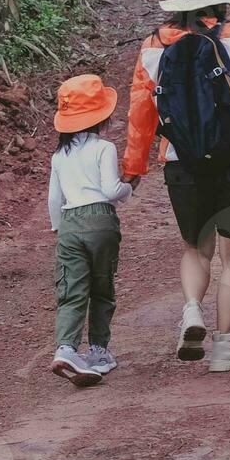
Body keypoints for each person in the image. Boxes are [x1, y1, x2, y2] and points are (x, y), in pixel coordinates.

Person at [123, 0, 230, 372]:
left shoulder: (152, 46)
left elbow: (141, 113)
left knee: (196, 247)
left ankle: (192, 308)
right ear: (222, 3)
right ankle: (224, 348)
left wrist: (134, 167)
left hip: (182, 162)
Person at [48, 74, 133, 387]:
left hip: (69, 224)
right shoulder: (104, 148)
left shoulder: (59, 156)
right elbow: (110, 189)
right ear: (102, 117)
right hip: (100, 221)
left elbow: (54, 199)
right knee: (101, 287)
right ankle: (98, 350)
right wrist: (129, 189)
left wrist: (60, 229)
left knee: (71, 291)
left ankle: (67, 348)